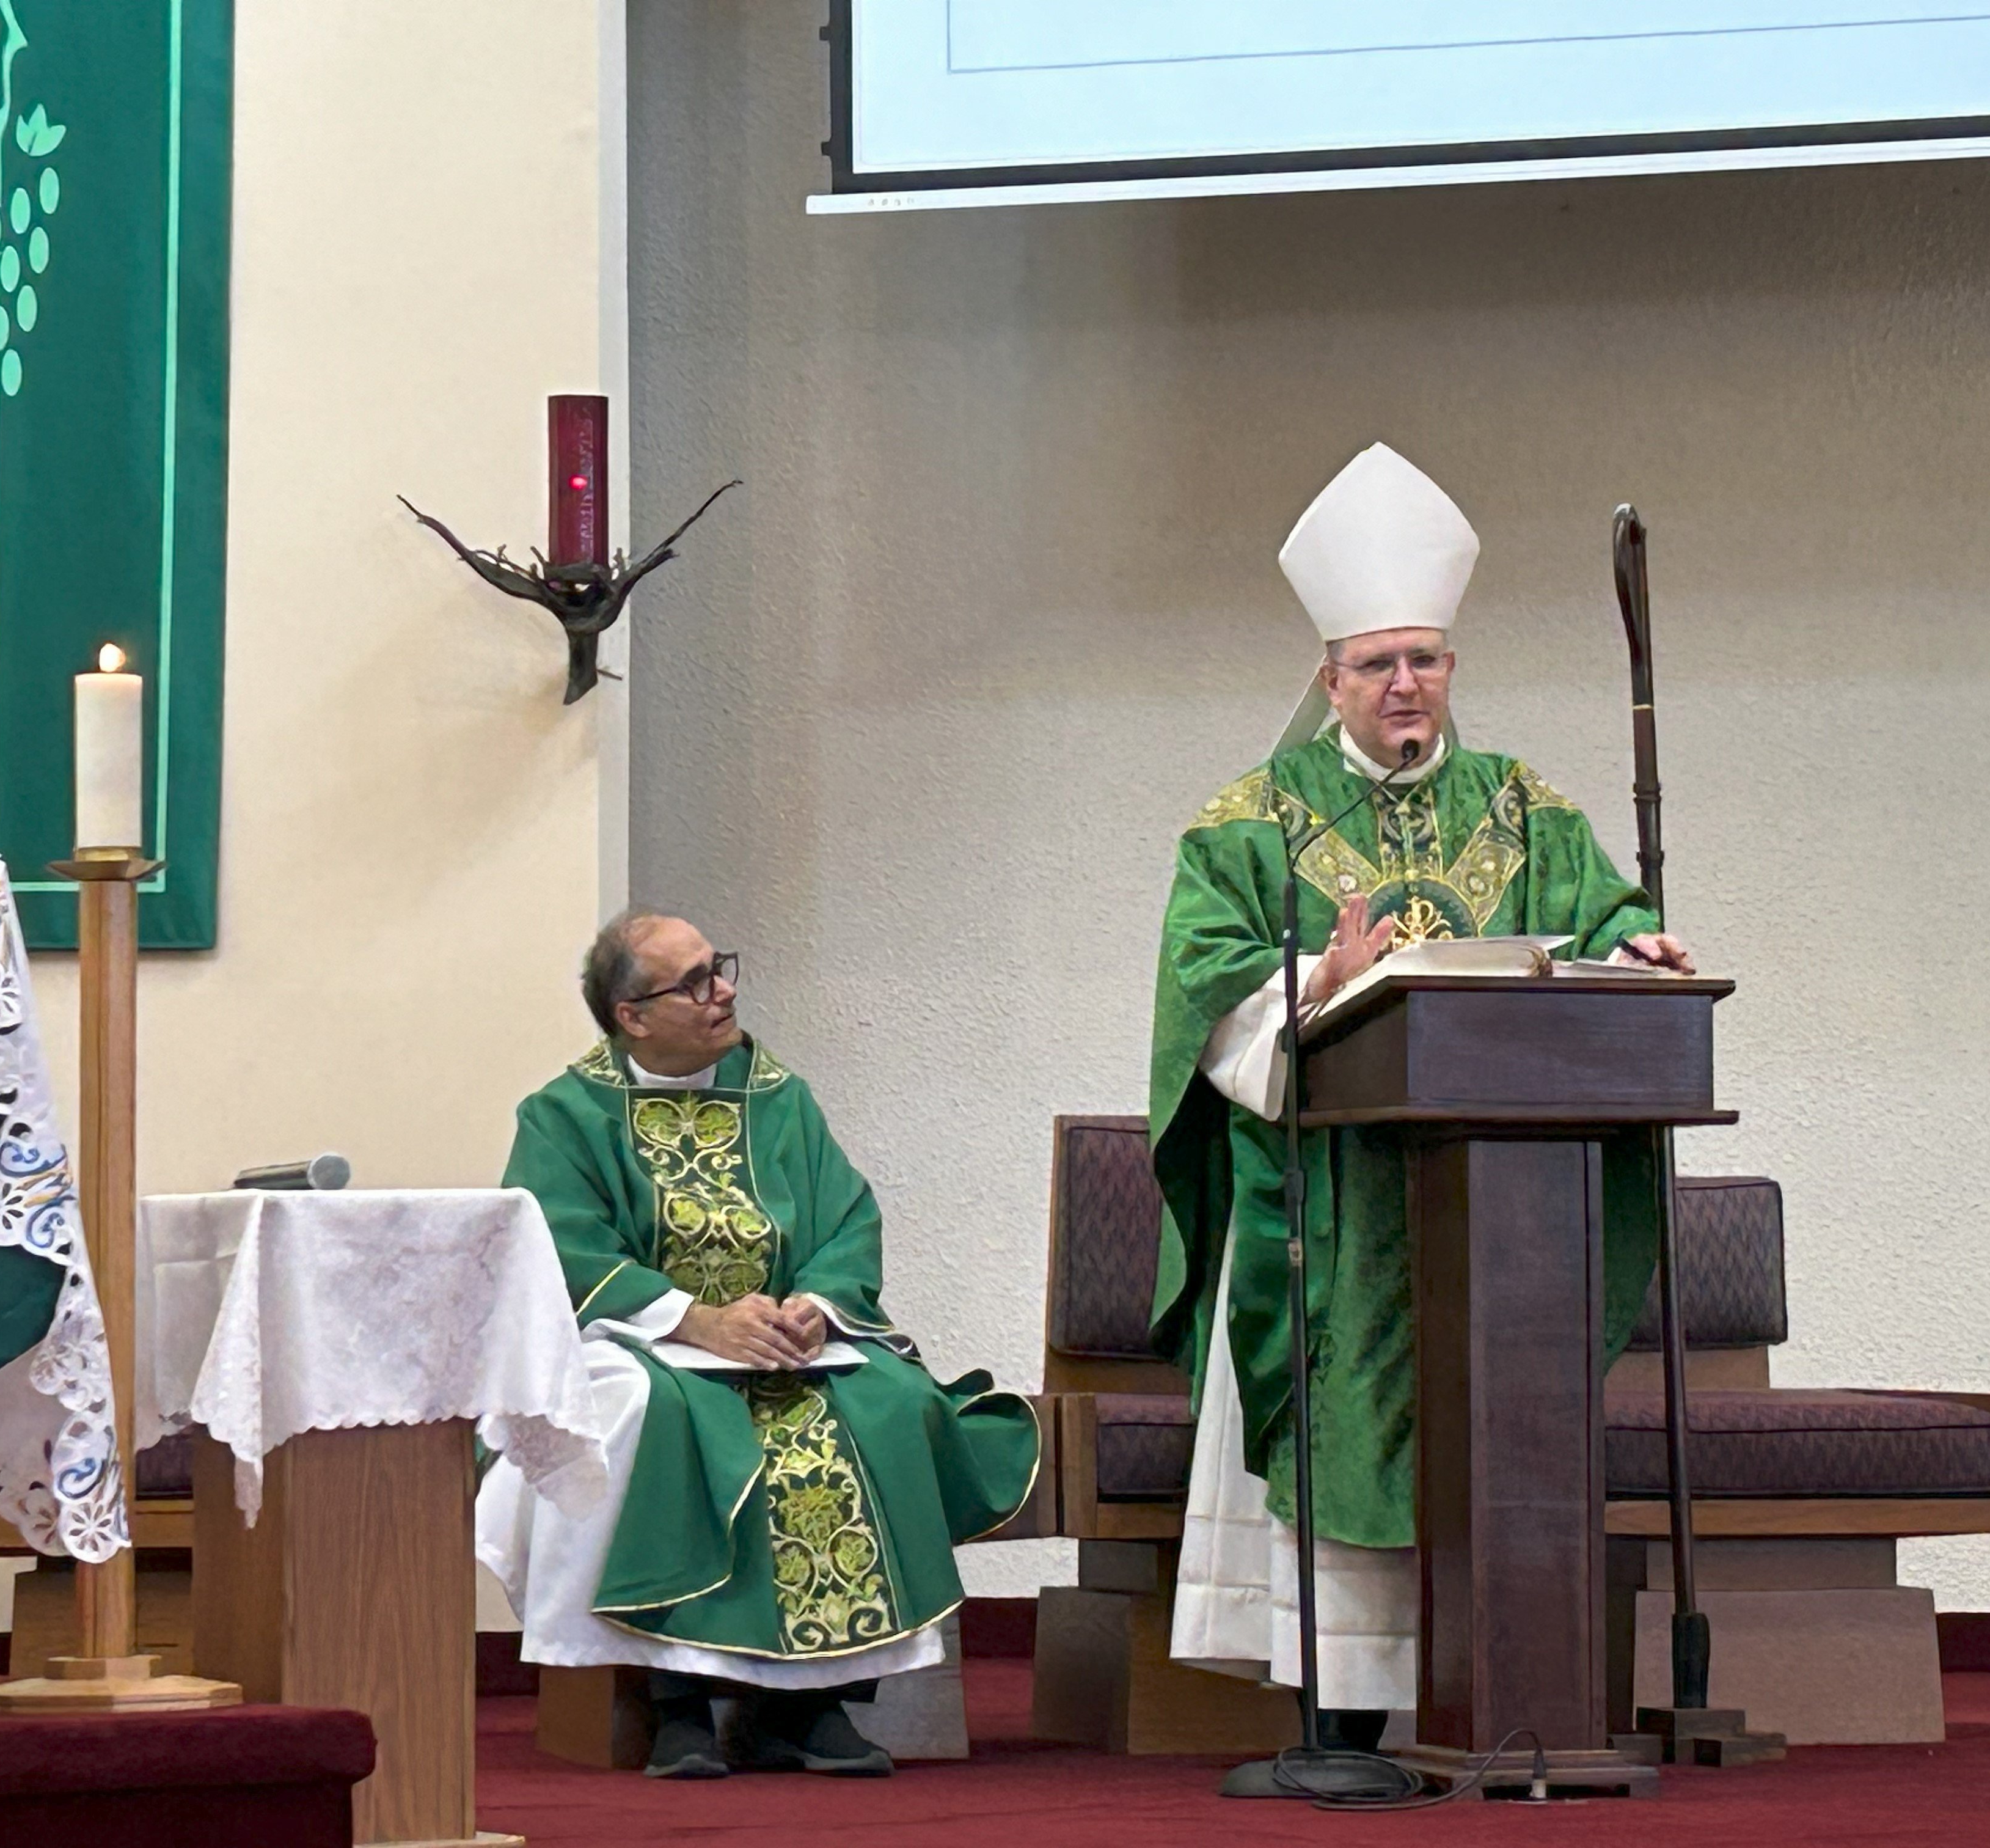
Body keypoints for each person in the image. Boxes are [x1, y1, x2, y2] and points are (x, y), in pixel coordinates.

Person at [1148, 443, 1692, 1748]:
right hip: (1326, 1202)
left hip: (1494, 1220)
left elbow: (1593, 917)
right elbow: (1205, 992)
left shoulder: (1525, 807)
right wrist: (1315, 992)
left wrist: (1634, 949)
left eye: (1428, 660)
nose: (1407, 685)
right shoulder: (1252, 822)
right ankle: (1336, 1720)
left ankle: (1487, 1694)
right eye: (1380, 664)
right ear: (1330, 676)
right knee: (1345, 1411)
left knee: (1483, 1416)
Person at [477, 912, 1039, 1778]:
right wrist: (694, 1320)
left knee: (889, 1403)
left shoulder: (778, 1097)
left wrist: (814, 1304)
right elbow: (558, 1245)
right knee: (644, 1413)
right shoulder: (564, 1115)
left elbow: (846, 1218)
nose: (724, 991)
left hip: (782, 1340)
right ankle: (678, 1711)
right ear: (631, 1014)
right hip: (644, 1341)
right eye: (696, 981)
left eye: (721, 969)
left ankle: (807, 1712)